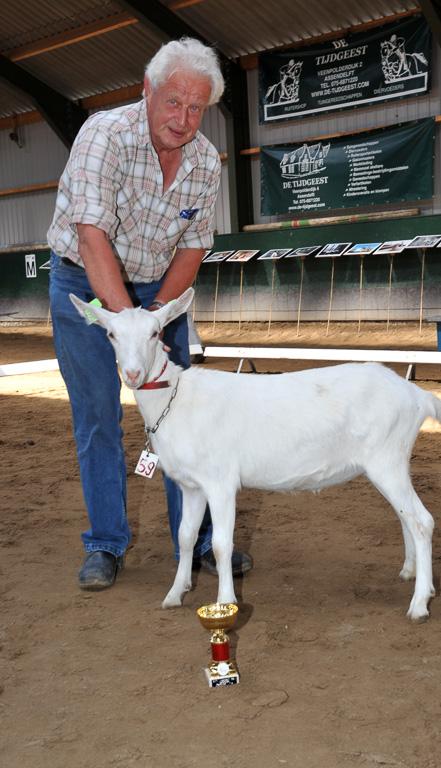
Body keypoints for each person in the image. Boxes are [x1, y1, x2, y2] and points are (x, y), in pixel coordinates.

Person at [48, 37, 252, 590]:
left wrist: (157, 314)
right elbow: (90, 237)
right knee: (98, 418)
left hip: (159, 289)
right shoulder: (104, 136)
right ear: (147, 90)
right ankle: (106, 544)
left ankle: (204, 541)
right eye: (173, 102)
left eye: (196, 108)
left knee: (183, 413)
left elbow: (193, 247)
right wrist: (128, 325)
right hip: (85, 282)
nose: (184, 119)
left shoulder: (207, 161)